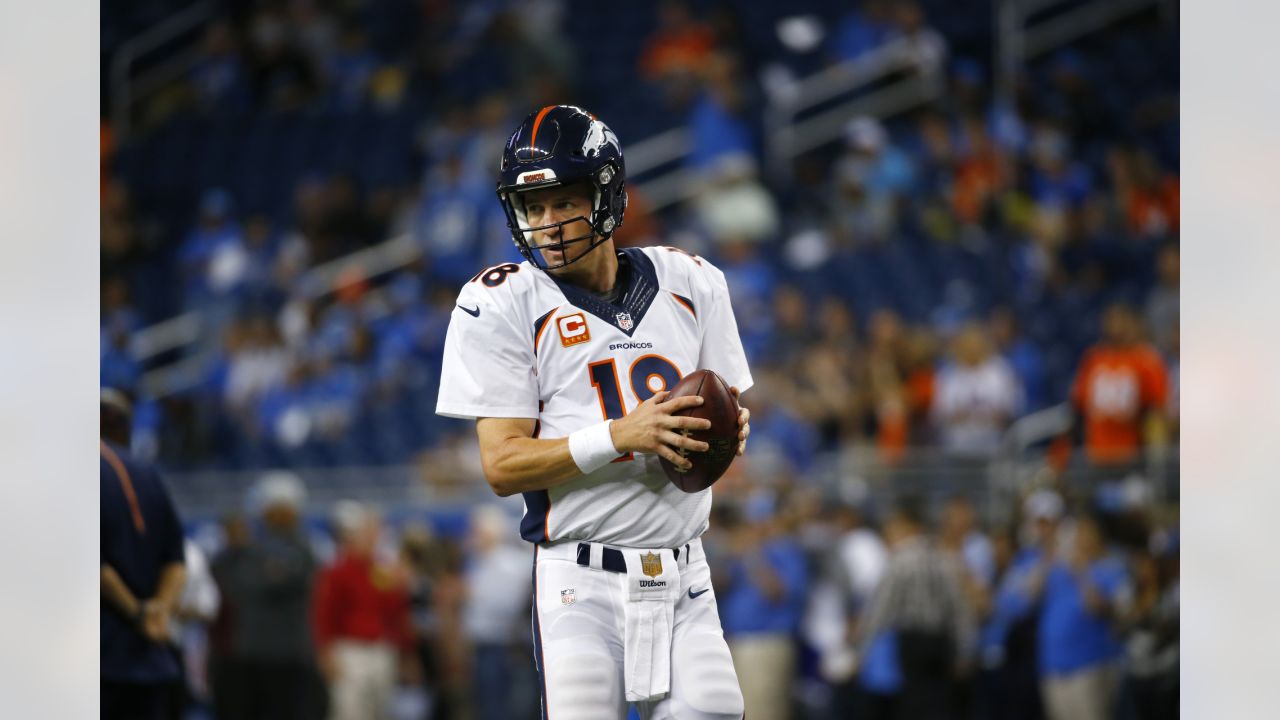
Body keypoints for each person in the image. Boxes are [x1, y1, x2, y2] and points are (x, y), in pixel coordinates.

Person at [436, 104, 752, 720]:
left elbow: (722, 407)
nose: (546, 224)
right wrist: (620, 435)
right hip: (581, 577)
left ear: (607, 194)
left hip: (685, 570)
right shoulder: (503, 301)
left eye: (562, 201)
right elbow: (502, 466)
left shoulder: (692, 280)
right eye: (532, 208)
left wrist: (729, 428)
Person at [100, 388, 188, 720]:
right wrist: (158, 612)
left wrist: (135, 611)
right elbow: (176, 563)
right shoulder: (150, 474)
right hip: (148, 655)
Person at [855, 498, 976, 720]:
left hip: (913, 641)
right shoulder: (943, 556)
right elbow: (960, 609)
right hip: (942, 640)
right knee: (940, 705)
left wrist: (863, 647)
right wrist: (964, 651)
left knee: (914, 705)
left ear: (907, 525)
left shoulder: (901, 559)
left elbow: (882, 607)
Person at [312, 501, 415, 720]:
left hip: (382, 649)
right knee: (350, 712)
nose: (371, 538)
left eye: (374, 533)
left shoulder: (382, 571)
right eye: (366, 533)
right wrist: (326, 653)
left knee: (381, 711)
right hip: (350, 651)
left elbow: (395, 613)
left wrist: (400, 587)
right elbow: (324, 615)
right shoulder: (336, 572)